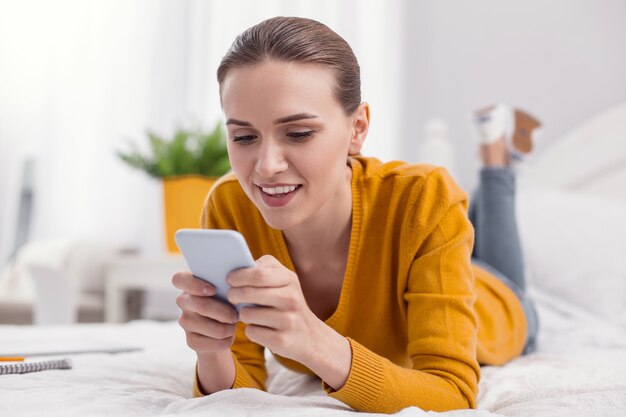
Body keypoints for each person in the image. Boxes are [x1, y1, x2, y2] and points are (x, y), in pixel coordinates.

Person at [171, 16, 539, 414]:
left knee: (502, 270)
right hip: (436, 256)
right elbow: (241, 386)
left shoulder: (426, 195)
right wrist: (211, 352)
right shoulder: (231, 204)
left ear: (357, 128)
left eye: (298, 134)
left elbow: (451, 394)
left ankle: (497, 163)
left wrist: (316, 341)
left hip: (501, 306)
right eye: (243, 137)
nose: (265, 167)